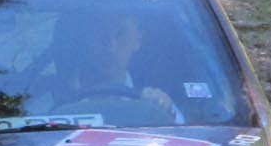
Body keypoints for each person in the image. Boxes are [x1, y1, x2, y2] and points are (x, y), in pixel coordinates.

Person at [49, 10, 183, 123]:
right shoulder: (45, 104)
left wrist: (160, 109)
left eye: (121, 34)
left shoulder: (158, 104)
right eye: (101, 34)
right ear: (86, 40)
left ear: (137, 40)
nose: (110, 47)